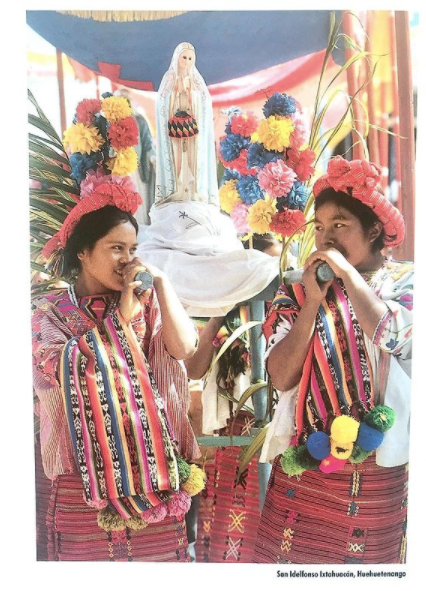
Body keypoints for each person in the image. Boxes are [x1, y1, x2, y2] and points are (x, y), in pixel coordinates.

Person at [31, 173, 203, 562]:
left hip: (157, 477)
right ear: (82, 252)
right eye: (115, 248)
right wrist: (120, 324)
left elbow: (184, 346)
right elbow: (66, 370)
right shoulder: (49, 317)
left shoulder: (145, 300)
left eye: (132, 248)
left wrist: (159, 281)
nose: (127, 259)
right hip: (83, 490)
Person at [253, 156, 413, 564]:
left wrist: (347, 276)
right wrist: (313, 304)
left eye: (340, 225)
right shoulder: (298, 292)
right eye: (321, 228)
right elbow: (282, 376)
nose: (326, 238)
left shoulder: (406, 283)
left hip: (381, 469)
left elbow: (396, 337)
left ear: (375, 230)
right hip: (306, 471)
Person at [156, 41, 218, 204]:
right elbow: (162, 100)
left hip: (191, 126)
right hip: (174, 125)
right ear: (177, 58)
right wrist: (175, 93)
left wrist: (191, 94)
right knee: (176, 155)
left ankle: (193, 188)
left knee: (192, 156)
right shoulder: (170, 78)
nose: (187, 62)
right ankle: (175, 188)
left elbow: (203, 101)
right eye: (184, 57)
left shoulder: (195, 81)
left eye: (190, 58)